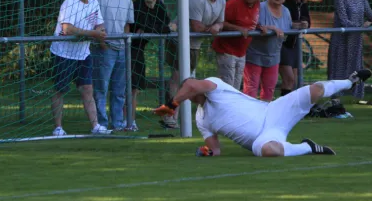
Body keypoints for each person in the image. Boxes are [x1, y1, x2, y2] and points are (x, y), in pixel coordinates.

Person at [153, 69, 372, 157]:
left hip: (274, 111)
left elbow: (191, 84)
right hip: (263, 137)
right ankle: (308, 147)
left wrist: (171, 105)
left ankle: (349, 81)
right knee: (269, 151)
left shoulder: (214, 84)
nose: (191, 92)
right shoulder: (201, 118)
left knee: (315, 90)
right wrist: (205, 151)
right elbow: (215, 150)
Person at [50, 0, 111, 136]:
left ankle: (95, 126)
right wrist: (92, 34)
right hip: (63, 53)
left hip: (83, 53)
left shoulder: (94, 3)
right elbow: (67, 29)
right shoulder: (69, 4)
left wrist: (100, 32)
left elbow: (100, 25)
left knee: (87, 89)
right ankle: (58, 127)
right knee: (60, 89)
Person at [164, 0, 226, 128]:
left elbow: (221, 22)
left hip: (194, 45)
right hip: (180, 41)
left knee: (185, 80)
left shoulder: (222, 1)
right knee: (178, 79)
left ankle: (173, 115)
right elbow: (196, 26)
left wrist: (217, 26)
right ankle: (169, 116)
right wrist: (211, 29)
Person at [92, 0, 134, 130]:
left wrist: (125, 45)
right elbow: (95, 23)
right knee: (101, 87)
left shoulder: (127, 0)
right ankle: (101, 123)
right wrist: (102, 43)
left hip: (122, 49)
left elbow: (127, 25)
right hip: (104, 48)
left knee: (119, 89)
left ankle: (117, 122)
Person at [129, 0, 173, 131]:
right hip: (127, 48)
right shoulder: (137, 6)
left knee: (136, 88)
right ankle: (126, 121)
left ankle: (130, 121)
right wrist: (156, 29)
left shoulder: (160, 7)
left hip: (139, 49)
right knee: (129, 87)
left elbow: (165, 27)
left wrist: (150, 29)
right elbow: (140, 25)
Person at [327, 0, 372, 99]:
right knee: (338, 66)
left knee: (355, 66)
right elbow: (343, 20)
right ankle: (335, 96)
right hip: (341, 38)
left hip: (356, 38)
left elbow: (370, 14)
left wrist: (368, 22)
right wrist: (361, 26)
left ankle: (356, 95)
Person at [244, 0, 292, 101]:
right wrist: (271, 27)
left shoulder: (286, 11)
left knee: (269, 88)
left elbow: (288, 27)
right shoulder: (260, 7)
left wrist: (299, 25)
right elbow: (251, 24)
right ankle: (248, 114)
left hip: (274, 56)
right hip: (255, 55)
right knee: (251, 88)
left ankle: (265, 114)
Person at [211, 0, 262, 90]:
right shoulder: (233, 4)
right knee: (227, 85)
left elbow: (251, 21)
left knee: (236, 85)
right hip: (227, 50)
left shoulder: (257, 4)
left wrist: (259, 27)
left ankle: (232, 106)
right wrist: (238, 29)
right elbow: (220, 22)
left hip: (241, 52)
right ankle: (222, 106)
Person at [279, 0, 311, 96]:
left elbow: (307, 20)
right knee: (289, 79)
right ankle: (283, 107)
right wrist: (295, 24)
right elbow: (283, 22)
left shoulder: (303, 5)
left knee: (295, 81)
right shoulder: (285, 4)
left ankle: (292, 106)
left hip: (296, 46)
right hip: (284, 44)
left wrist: (305, 23)